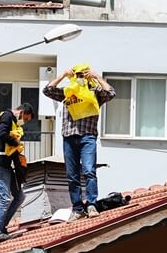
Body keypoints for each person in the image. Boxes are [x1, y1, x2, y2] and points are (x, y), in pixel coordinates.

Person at [44, 64, 115, 220]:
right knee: (72, 175)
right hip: (69, 136)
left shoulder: (94, 92)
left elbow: (111, 93)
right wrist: (63, 75)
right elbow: (47, 90)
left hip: (87, 136)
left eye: (83, 74)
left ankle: (91, 205)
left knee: (89, 170)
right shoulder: (68, 92)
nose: (80, 77)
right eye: (78, 75)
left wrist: (97, 77)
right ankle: (77, 208)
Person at [0, 102, 35, 243]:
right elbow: (2, 134)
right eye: (26, 119)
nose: (25, 122)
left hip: (7, 165)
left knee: (19, 196)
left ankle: (2, 227)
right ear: (22, 112)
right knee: (6, 199)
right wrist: (16, 144)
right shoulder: (7, 116)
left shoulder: (15, 123)